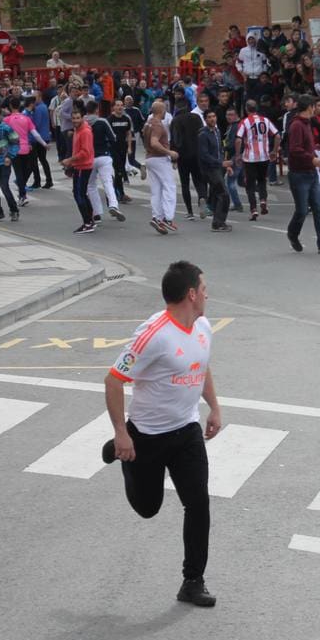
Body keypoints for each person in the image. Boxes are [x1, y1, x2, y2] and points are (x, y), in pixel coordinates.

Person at [101, 261, 222, 609]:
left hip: (186, 431)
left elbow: (202, 365)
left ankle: (192, 581)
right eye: (204, 288)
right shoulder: (152, 334)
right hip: (148, 436)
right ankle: (121, 452)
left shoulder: (203, 327)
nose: (207, 294)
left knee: (198, 502)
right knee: (148, 508)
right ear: (191, 294)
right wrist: (121, 433)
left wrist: (213, 406)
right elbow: (113, 380)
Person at [285, 99, 320, 254]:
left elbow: (309, 146)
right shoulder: (297, 125)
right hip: (299, 174)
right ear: (309, 107)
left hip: (311, 173)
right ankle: (293, 233)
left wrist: (316, 162)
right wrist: (312, 159)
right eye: (314, 106)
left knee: (319, 209)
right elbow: (295, 149)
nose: (315, 110)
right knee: (302, 210)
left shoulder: (307, 124)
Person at [236, 99, 277, 220]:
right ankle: (263, 201)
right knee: (262, 181)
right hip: (264, 156)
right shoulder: (265, 120)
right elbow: (277, 135)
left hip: (250, 157)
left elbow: (238, 139)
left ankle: (253, 209)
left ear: (246, 109)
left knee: (249, 184)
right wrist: (274, 150)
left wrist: (238, 154)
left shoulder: (245, 122)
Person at [60, 97, 96, 233]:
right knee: (81, 193)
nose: (75, 120)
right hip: (79, 166)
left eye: (77, 118)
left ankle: (87, 222)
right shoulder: (78, 130)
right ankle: (90, 219)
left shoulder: (85, 131)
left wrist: (70, 160)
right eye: (73, 118)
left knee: (79, 194)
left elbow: (85, 152)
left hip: (83, 166)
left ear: (82, 118)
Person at [142, 99, 179, 233]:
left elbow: (148, 142)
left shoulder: (148, 124)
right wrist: (169, 152)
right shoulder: (158, 125)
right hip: (160, 159)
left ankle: (157, 217)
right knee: (169, 186)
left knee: (156, 190)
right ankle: (167, 218)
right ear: (161, 111)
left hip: (150, 158)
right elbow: (154, 142)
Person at [198, 109, 231, 230]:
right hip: (210, 169)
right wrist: (220, 163)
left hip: (218, 168)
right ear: (205, 119)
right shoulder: (203, 135)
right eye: (209, 117)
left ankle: (216, 220)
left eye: (214, 116)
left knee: (218, 195)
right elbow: (204, 155)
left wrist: (225, 165)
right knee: (224, 194)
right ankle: (219, 222)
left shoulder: (217, 132)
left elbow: (220, 151)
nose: (212, 119)